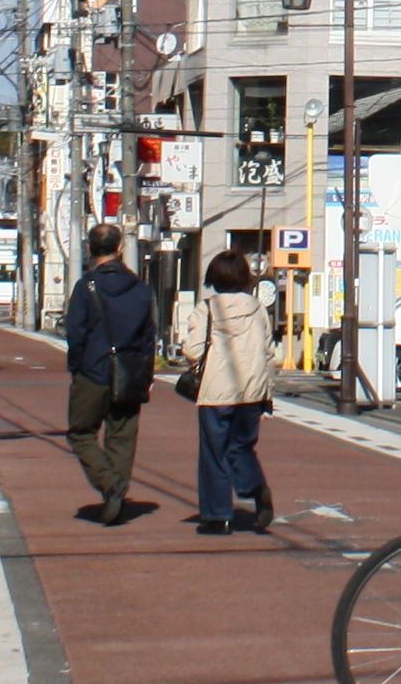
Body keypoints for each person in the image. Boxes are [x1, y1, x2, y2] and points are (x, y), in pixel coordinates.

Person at [173, 247, 280, 534]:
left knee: (214, 452)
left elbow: (193, 350)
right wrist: (268, 394)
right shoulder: (258, 309)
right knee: (241, 446)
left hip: (217, 392)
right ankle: (255, 487)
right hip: (253, 391)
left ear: (214, 278)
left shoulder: (207, 308)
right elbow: (269, 353)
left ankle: (217, 517)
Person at [59, 223, 157, 524]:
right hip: (130, 372)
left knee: (81, 432)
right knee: (122, 436)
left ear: (90, 248)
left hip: (93, 370)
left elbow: (75, 333)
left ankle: (110, 485)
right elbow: (148, 337)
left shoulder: (86, 287)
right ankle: (115, 491)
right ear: (119, 249)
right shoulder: (141, 289)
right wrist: (147, 375)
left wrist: (76, 367)